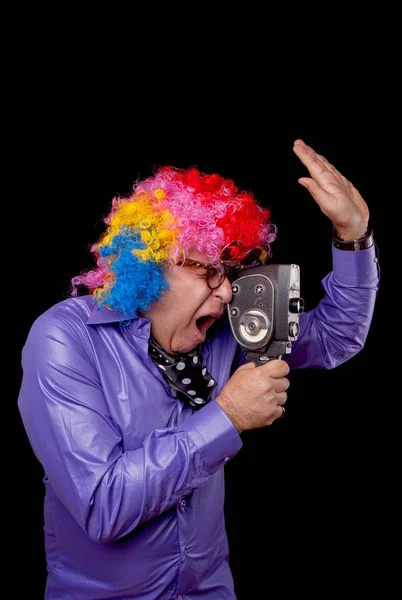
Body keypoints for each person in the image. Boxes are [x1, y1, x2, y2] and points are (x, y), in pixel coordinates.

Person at [18, 139, 380, 599]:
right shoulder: (65, 339)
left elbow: (335, 337)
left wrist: (354, 234)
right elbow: (101, 506)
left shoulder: (220, 331)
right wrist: (226, 417)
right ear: (149, 264)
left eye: (228, 272)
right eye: (209, 270)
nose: (227, 292)